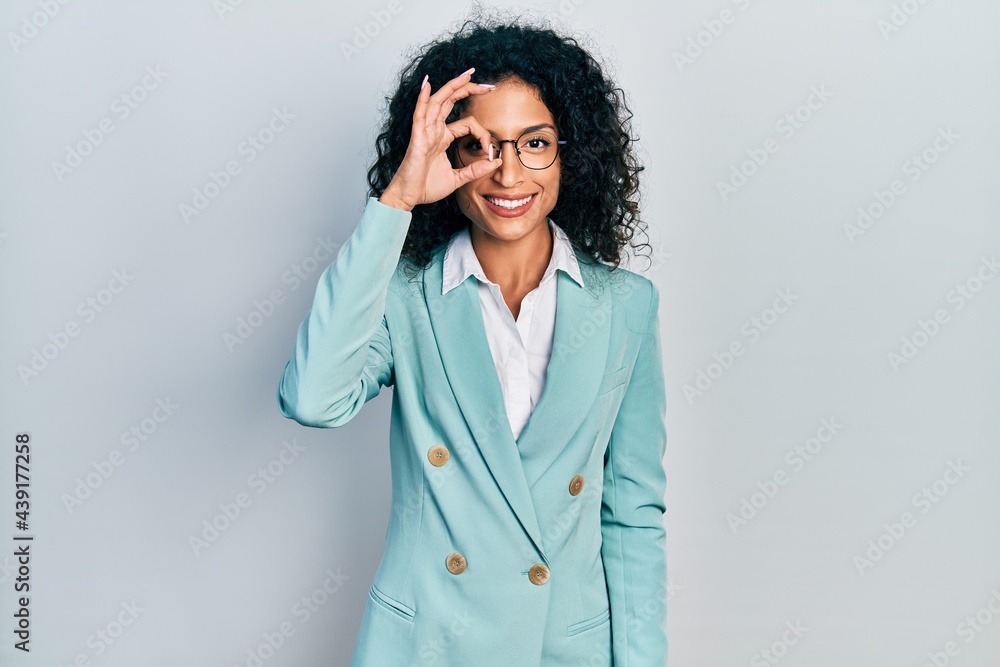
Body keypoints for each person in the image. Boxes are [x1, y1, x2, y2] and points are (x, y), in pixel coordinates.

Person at [276, 11, 668, 667]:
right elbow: (313, 398)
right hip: (426, 643)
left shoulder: (627, 306)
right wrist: (398, 200)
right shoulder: (405, 295)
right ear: (448, 156)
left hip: (561, 649)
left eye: (535, 143)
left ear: (572, 153)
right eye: (479, 145)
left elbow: (633, 514)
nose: (508, 175)